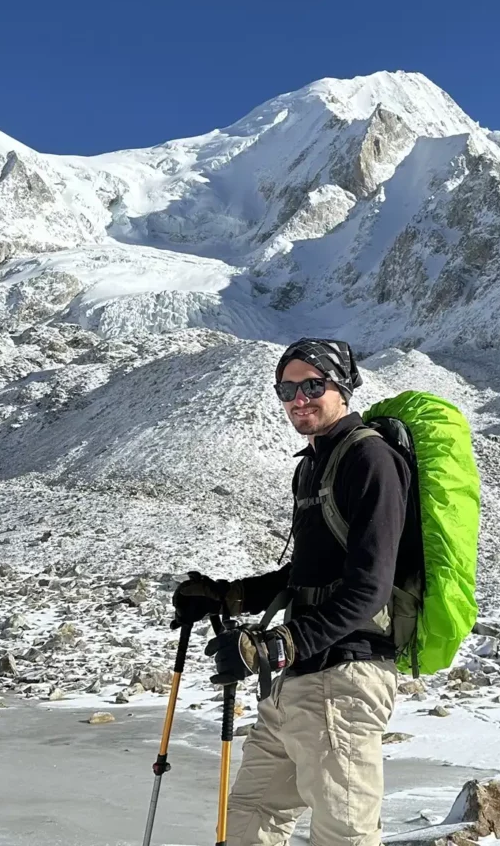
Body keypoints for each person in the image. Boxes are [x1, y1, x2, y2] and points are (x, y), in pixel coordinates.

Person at [171, 338, 411, 846]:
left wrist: (278, 645)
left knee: (343, 835)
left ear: (342, 386)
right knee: (250, 816)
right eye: (287, 389)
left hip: (345, 677)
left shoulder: (370, 459)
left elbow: (369, 588)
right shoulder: (313, 465)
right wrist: (227, 595)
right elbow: (303, 575)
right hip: (296, 680)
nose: (299, 399)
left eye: (313, 385)